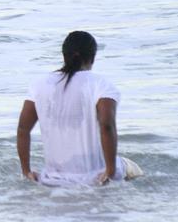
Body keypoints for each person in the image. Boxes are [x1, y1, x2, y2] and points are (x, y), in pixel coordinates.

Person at [16, 31, 143, 186]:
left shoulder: (40, 84)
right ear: (93, 57)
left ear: (64, 55)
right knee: (132, 169)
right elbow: (107, 126)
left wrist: (26, 171)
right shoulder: (101, 84)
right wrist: (109, 171)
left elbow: (23, 128)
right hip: (95, 177)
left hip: (52, 179)